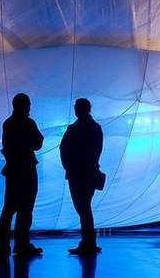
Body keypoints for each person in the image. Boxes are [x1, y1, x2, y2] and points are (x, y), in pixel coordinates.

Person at [0, 93, 44, 257]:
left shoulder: (8, 124)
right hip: (26, 169)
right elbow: (38, 143)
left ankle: (2, 245)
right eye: (28, 104)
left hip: (13, 170)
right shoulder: (29, 123)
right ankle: (21, 244)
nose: (30, 108)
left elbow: (8, 146)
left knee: (9, 208)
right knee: (25, 207)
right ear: (23, 105)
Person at [60, 98, 103, 255]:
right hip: (88, 173)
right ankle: (89, 241)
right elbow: (97, 150)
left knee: (82, 207)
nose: (75, 109)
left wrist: (69, 166)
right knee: (84, 207)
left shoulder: (73, 129)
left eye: (77, 107)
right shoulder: (95, 128)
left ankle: (88, 242)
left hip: (77, 174)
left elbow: (63, 149)